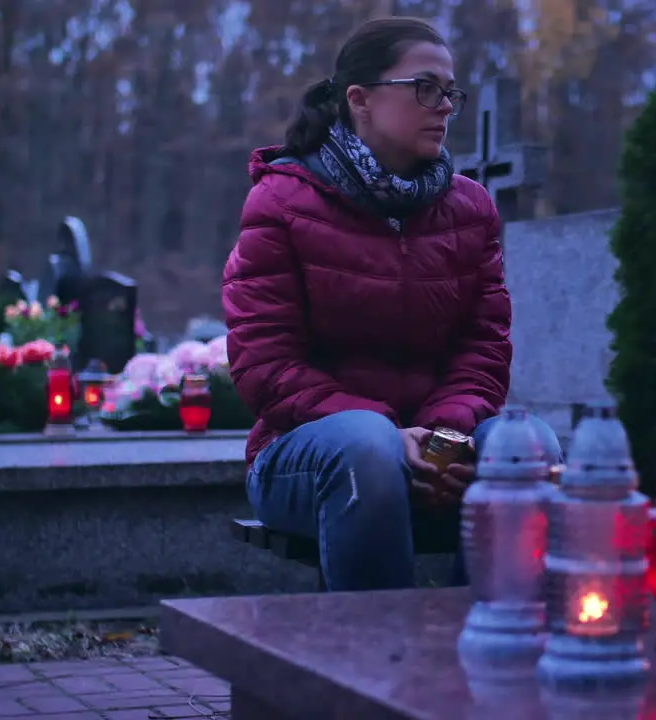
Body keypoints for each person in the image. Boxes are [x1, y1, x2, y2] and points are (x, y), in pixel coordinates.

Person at [223, 17, 562, 592]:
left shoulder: (470, 209)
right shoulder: (280, 201)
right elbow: (265, 365)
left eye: (450, 92)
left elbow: (484, 347)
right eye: (425, 88)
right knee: (367, 448)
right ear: (360, 100)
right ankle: (377, 664)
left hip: (434, 448)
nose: (445, 107)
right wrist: (389, 433)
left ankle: (486, 644)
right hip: (306, 453)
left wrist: (440, 443)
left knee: (532, 447)